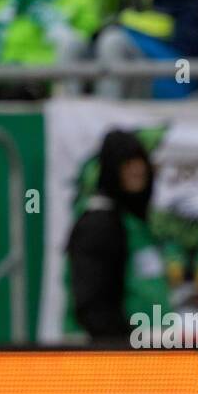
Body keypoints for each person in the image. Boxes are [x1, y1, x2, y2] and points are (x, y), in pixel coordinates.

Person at [66, 128, 159, 342]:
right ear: (111, 170)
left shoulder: (132, 222)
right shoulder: (99, 225)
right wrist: (120, 346)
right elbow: (92, 305)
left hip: (147, 352)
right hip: (111, 356)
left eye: (139, 161)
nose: (136, 170)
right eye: (126, 163)